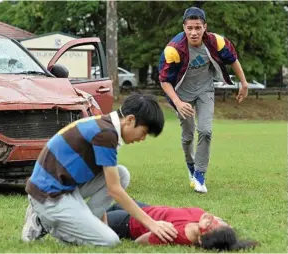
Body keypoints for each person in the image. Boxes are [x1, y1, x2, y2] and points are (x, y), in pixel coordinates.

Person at [21, 93, 178, 246]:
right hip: (49, 195)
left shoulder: (104, 125)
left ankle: (76, 227)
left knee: (121, 174)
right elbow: (114, 190)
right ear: (130, 120)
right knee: (110, 241)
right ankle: (43, 222)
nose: (142, 139)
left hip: (64, 188)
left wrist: (102, 226)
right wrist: (152, 224)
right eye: (143, 133)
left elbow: (107, 185)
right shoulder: (106, 134)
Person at [158, 7, 250, 193]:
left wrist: (244, 83)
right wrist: (178, 102)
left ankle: (200, 174)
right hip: (182, 95)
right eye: (190, 28)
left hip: (205, 90)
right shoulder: (173, 50)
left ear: (205, 27)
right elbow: (164, 81)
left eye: (198, 28)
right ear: (184, 27)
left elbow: (233, 59)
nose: (194, 32)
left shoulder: (216, 42)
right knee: (188, 135)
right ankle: (190, 165)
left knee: (206, 131)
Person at [106, 201, 259, 251]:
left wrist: (131, 243)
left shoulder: (175, 234)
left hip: (129, 222)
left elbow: (142, 240)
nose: (211, 219)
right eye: (217, 221)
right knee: (109, 203)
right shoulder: (200, 216)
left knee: (92, 217)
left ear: (201, 239)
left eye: (211, 225)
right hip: (141, 207)